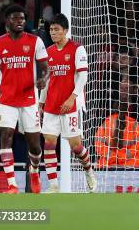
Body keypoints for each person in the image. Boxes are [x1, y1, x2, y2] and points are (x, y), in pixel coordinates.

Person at [0, 4, 48, 194]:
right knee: (5, 136)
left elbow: (45, 67)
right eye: (16, 18)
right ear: (7, 21)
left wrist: (43, 79)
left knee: (34, 144)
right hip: (6, 100)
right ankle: (12, 185)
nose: (20, 22)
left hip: (29, 99)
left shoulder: (35, 41)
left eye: (22, 18)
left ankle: (34, 170)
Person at [38, 14, 97, 193]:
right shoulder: (48, 52)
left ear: (65, 30)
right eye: (51, 30)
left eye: (56, 30)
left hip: (71, 104)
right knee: (48, 143)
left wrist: (72, 97)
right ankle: (53, 185)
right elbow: (47, 80)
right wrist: (41, 102)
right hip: (52, 104)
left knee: (75, 146)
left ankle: (88, 171)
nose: (53, 33)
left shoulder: (77, 49)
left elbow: (83, 76)